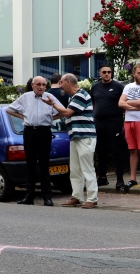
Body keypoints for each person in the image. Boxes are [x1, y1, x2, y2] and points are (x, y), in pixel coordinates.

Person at [42, 73, 98, 209]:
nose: (59, 85)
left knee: (87, 168)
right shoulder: (74, 97)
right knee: (75, 169)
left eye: (61, 82)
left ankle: (92, 198)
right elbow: (66, 112)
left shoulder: (80, 95)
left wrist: (53, 104)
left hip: (84, 136)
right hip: (76, 136)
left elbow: (67, 113)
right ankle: (77, 197)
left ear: (68, 82)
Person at [6, 76, 61, 206]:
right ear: (33, 85)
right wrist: (23, 117)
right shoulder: (25, 97)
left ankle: (47, 197)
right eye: (39, 84)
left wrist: (50, 118)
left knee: (44, 164)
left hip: (44, 131)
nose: (41, 87)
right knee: (30, 164)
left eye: (43, 85)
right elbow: (9, 109)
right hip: (29, 131)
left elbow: (62, 111)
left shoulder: (50, 97)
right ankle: (29, 196)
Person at [90, 65, 127, 189]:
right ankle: (102, 177)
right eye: (104, 72)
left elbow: (124, 103)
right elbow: (93, 103)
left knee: (117, 151)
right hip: (99, 123)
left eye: (109, 72)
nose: (107, 74)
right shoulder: (95, 87)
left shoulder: (119, 87)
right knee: (101, 151)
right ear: (100, 73)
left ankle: (120, 179)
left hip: (114, 122)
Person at [118, 64, 140, 192]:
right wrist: (134, 107)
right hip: (129, 121)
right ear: (134, 74)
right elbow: (120, 103)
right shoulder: (128, 87)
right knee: (132, 150)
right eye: (139, 73)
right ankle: (132, 178)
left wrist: (127, 103)